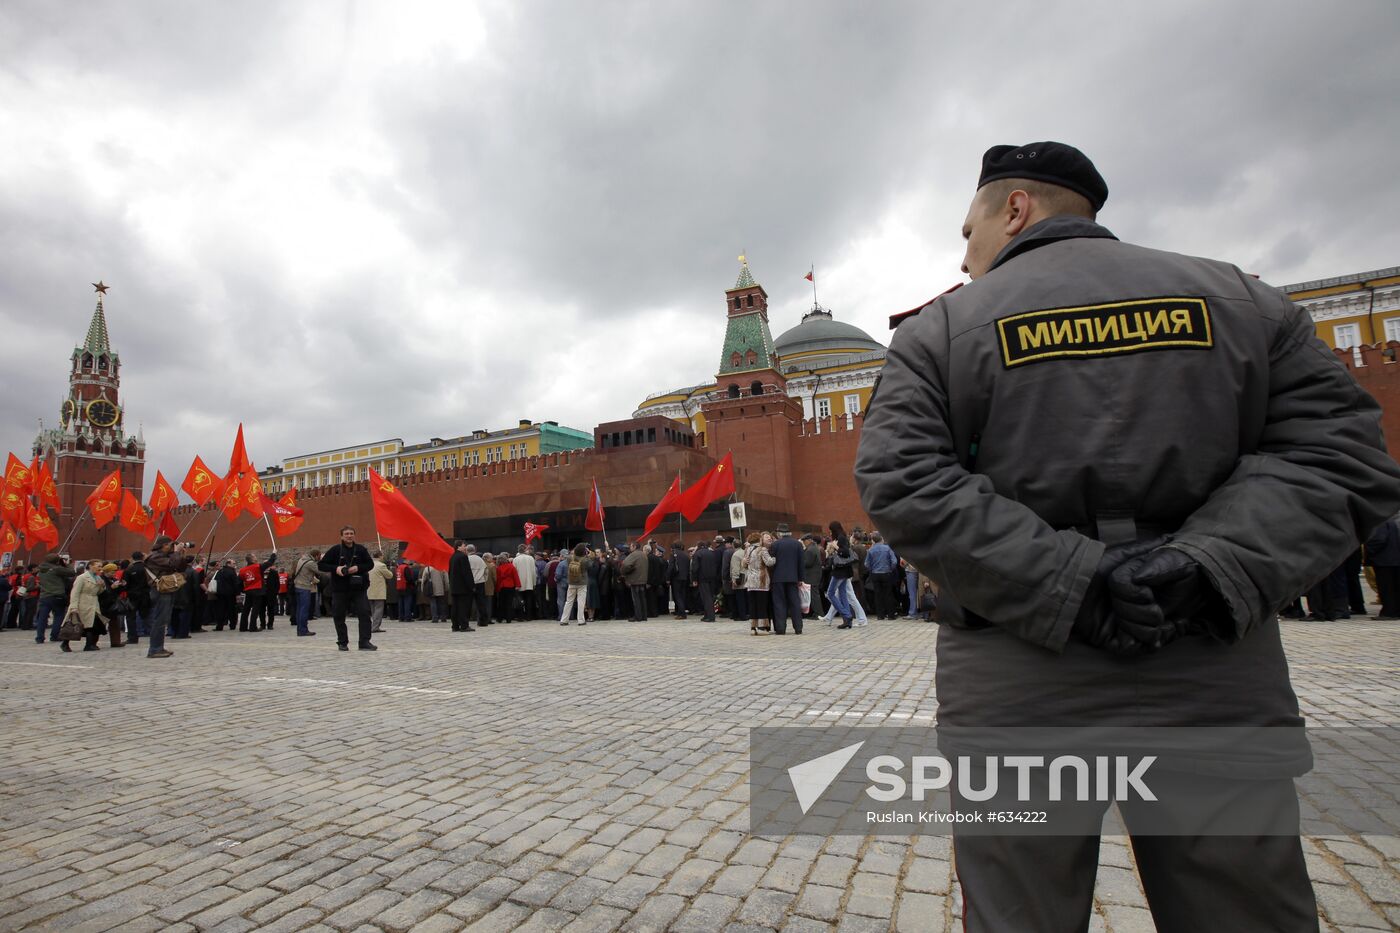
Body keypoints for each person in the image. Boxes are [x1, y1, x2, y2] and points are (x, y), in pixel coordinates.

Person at [855, 140, 1400, 932]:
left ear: (1015, 209)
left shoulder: (942, 331)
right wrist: (1202, 563)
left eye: (966, 232)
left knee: (1021, 916)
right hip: (1210, 661)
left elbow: (903, 480)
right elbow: (1342, 453)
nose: (964, 256)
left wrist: (1076, 584)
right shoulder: (1243, 303)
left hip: (1022, 680)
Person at [318, 526, 376, 651]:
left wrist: (358, 568)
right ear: (341, 536)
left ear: (354, 535)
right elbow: (321, 565)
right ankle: (342, 642)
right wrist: (336, 569)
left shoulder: (360, 549)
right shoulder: (335, 550)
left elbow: (370, 564)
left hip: (359, 588)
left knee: (364, 613)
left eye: (351, 533)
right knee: (339, 615)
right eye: (346, 534)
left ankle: (365, 642)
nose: (349, 536)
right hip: (340, 589)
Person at [144, 536, 193, 659]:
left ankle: (159, 647)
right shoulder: (155, 557)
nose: (172, 547)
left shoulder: (167, 556)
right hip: (159, 590)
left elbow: (180, 567)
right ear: (163, 545)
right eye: (170, 545)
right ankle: (154, 649)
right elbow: (171, 564)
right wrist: (176, 552)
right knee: (160, 619)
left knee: (164, 619)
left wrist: (181, 555)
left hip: (167, 589)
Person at [61, 560, 107, 652]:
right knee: (75, 624)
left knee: (91, 625)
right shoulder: (82, 577)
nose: (100, 568)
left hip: (93, 603)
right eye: (97, 566)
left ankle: (89, 644)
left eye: (101, 566)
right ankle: (65, 643)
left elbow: (99, 592)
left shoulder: (98, 578)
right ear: (90, 566)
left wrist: (102, 586)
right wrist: (74, 606)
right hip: (82, 603)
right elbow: (75, 592)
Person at [767, 524, 805, 635]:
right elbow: (800, 563)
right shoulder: (797, 544)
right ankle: (798, 628)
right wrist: (801, 578)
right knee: (795, 602)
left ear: (779, 533)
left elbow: (771, 563)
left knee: (779, 603)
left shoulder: (775, 545)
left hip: (778, 578)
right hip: (793, 577)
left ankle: (780, 628)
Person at [34, 554, 76, 644]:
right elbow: (72, 572)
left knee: (42, 618)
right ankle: (55, 635)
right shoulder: (57, 569)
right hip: (57, 595)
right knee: (58, 616)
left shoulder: (41, 569)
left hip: (44, 596)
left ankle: (39, 637)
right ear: (57, 561)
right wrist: (66, 563)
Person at [743, 532, 775, 633]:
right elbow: (769, 562)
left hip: (750, 581)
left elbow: (744, 565)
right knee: (762, 604)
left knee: (753, 605)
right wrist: (775, 557)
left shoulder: (747, 550)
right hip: (761, 580)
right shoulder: (762, 549)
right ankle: (762, 627)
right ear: (759, 540)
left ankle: (753, 627)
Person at [863, 532, 899, 620]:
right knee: (888, 594)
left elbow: (866, 564)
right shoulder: (887, 548)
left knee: (878, 594)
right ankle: (890, 615)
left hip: (875, 574)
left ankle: (880, 615)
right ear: (881, 538)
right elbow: (894, 561)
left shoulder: (871, 550)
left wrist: (872, 569)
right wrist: (890, 569)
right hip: (886, 573)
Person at [690, 538, 722, 622]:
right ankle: (707, 615)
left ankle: (710, 616)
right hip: (712, 578)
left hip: (702, 578)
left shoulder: (698, 554)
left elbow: (695, 568)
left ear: (698, 546)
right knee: (710, 597)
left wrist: (694, 579)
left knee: (705, 597)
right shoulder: (711, 553)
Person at [448, 540, 477, 632]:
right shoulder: (463, 557)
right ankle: (464, 625)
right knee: (463, 607)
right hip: (463, 587)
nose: (465, 547)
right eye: (464, 546)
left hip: (454, 587)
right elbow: (466, 573)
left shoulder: (452, 557)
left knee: (455, 607)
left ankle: (455, 626)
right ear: (459, 547)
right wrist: (471, 585)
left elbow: (450, 572)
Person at [291, 550, 321, 636]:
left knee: (300, 610)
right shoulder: (310, 563)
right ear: (316, 555)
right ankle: (303, 630)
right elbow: (320, 571)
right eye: (319, 556)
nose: (319, 558)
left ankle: (300, 630)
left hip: (297, 586)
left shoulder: (302, 560)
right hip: (304, 587)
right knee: (304, 610)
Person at [559, 543, 589, 625]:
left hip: (571, 582)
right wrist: (587, 555)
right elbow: (589, 566)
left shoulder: (569, 558)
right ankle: (581, 620)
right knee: (581, 602)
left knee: (568, 601)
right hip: (582, 582)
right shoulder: (585, 560)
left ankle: (564, 620)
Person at [620, 544, 649, 621]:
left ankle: (638, 616)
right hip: (643, 580)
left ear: (634, 547)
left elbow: (625, 564)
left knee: (636, 600)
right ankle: (644, 616)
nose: (630, 548)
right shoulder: (644, 554)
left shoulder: (633, 555)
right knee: (642, 599)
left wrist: (625, 572)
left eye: (631, 546)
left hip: (635, 580)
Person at [367, 549, 393, 633]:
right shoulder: (381, 565)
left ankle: (374, 626)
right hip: (378, 591)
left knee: (373, 610)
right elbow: (389, 575)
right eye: (382, 555)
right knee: (379, 609)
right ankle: (375, 627)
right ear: (380, 556)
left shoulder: (368, 564)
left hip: (369, 590)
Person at [667, 542, 690, 619]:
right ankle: (681, 612)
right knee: (682, 595)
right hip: (685, 578)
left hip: (676, 578)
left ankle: (682, 613)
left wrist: (667, 578)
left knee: (677, 596)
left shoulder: (673, 554)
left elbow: (670, 567)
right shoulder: (685, 555)